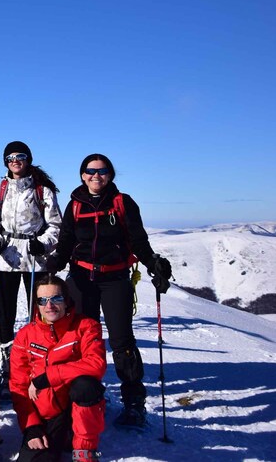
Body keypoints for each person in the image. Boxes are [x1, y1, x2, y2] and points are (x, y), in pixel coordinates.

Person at [52, 153, 172, 429]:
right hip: (81, 277)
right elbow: (66, 242)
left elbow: (138, 239)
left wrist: (153, 263)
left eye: (102, 171)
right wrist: (52, 267)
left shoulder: (122, 203)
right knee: (81, 339)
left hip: (114, 278)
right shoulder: (75, 205)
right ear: (82, 175)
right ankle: (84, 395)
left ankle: (134, 402)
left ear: (110, 174)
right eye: (91, 171)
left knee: (121, 341)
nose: (96, 175)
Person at [0, 141, 62, 392]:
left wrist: (44, 244)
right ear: (5, 162)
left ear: (28, 159)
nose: (15, 160)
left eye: (20, 156)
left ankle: (37, 362)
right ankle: (7, 365)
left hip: (35, 259)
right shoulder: (2, 188)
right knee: (5, 314)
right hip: (8, 257)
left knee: (37, 314)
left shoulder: (42, 190)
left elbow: (55, 225)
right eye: (10, 157)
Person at [10, 274, 106, 462]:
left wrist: (48, 376)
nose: (49, 305)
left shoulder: (86, 326)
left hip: (76, 410)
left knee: (86, 385)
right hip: (46, 414)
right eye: (43, 300)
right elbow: (18, 386)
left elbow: (96, 364)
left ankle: (84, 451)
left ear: (67, 300)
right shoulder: (25, 335)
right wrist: (31, 427)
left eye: (56, 298)